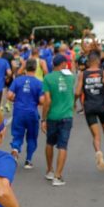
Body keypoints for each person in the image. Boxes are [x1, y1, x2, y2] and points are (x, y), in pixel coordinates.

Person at [41, 55, 75, 186]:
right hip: (66, 115)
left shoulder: (48, 78)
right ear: (62, 64)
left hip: (52, 116)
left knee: (49, 143)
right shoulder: (71, 77)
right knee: (63, 146)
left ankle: (49, 170)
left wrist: (43, 119)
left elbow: (47, 100)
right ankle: (58, 176)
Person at [7, 59, 44, 169]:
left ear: (25, 68)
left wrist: (16, 99)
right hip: (32, 113)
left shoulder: (18, 80)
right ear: (35, 68)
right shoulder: (39, 83)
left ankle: (15, 149)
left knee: (17, 134)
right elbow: (42, 101)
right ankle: (28, 160)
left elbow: (9, 95)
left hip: (18, 112)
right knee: (32, 136)